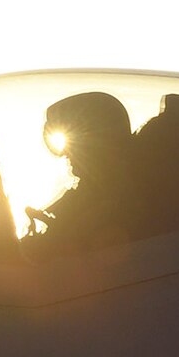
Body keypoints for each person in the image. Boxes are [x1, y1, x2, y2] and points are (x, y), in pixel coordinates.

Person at [23, 91, 133, 255]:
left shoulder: (114, 204)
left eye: (75, 144)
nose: (66, 154)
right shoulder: (93, 193)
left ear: (98, 142)